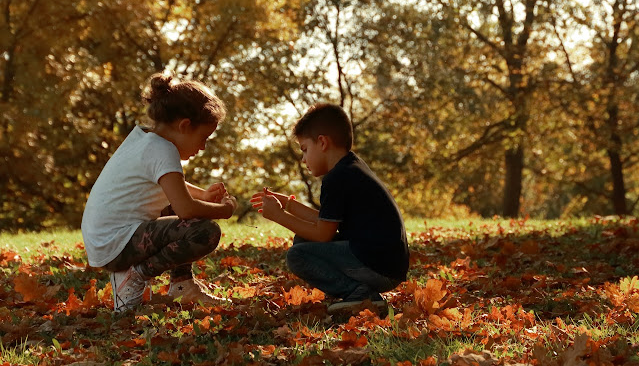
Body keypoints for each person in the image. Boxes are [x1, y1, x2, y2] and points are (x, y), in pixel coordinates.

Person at [81, 72, 237, 312]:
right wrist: (224, 210)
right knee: (204, 231)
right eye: (203, 138)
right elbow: (185, 208)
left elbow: (168, 185)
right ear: (185, 126)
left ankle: (182, 287)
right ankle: (133, 277)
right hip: (116, 245)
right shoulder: (163, 149)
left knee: (182, 209)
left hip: (106, 240)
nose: (203, 147)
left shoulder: (145, 138)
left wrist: (203, 196)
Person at [250, 103, 409, 315]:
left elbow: (323, 234)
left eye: (305, 150)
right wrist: (288, 205)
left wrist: (278, 216)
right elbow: (326, 221)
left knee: (296, 255)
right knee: (303, 241)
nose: (304, 159)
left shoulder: (337, 178)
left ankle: (361, 294)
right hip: (386, 263)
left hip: (377, 266)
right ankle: (359, 293)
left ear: (322, 142)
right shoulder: (351, 167)